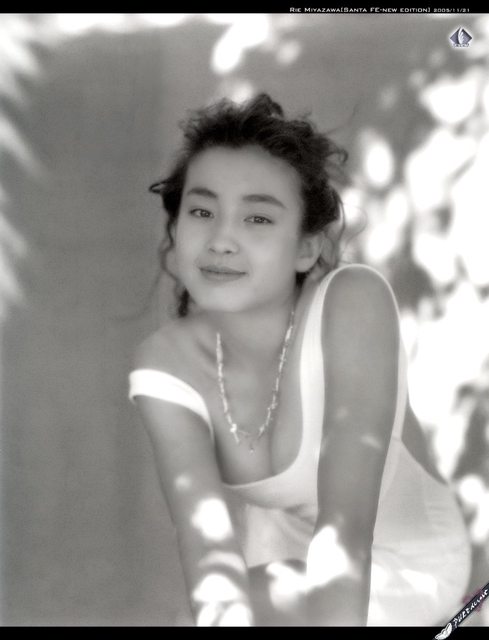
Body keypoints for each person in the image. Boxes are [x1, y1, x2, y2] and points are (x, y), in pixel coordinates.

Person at [128, 93, 471, 626]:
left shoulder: (352, 304)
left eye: (258, 218)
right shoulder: (164, 365)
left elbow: (344, 541)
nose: (221, 240)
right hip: (279, 559)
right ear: (175, 234)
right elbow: (207, 555)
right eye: (201, 211)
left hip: (402, 564)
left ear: (307, 247)